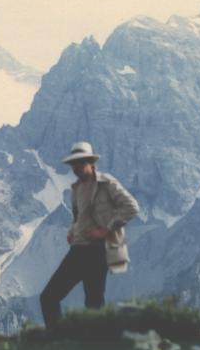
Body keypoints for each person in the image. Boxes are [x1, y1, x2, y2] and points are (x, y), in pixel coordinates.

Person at [39, 141, 139, 329]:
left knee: (93, 303)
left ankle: (94, 349)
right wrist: (72, 232)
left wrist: (106, 229)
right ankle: (58, 342)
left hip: (98, 250)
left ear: (91, 163)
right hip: (78, 249)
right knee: (49, 297)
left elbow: (132, 207)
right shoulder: (76, 189)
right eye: (74, 163)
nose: (77, 167)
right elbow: (79, 217)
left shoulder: (106, 183)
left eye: (81, 162)